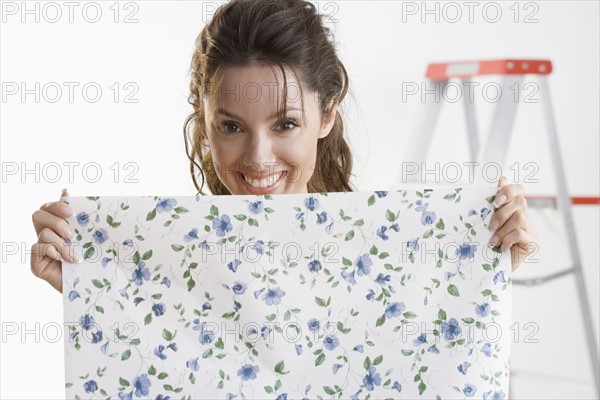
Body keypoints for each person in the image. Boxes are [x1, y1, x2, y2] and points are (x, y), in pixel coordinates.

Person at [30, 0, 537, 294]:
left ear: (328, 113)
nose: (257, 158)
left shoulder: (390, 252)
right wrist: (79, 287)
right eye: (230, 127)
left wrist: (488, 271)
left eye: (286, 124)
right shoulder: (163, 262)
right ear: (204, 124)